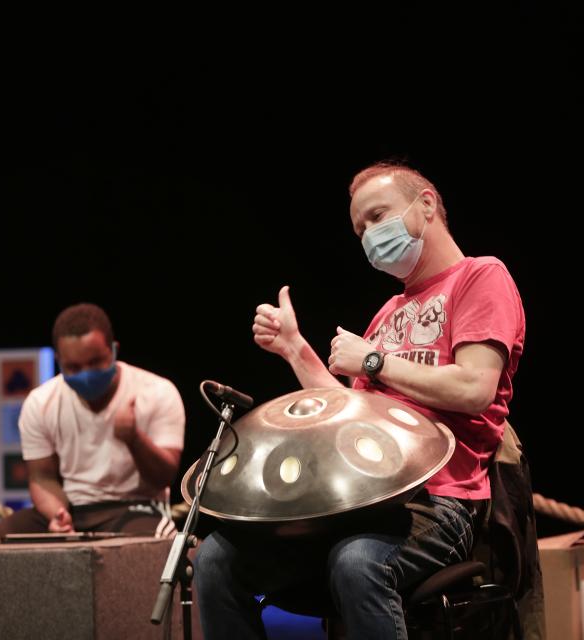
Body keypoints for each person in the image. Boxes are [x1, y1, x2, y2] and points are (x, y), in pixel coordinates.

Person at [193, 161, 526, 639]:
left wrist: (374, 362)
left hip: (439, 504)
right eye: (359, 228)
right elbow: (354, 421)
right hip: (364, 502)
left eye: (377, 216)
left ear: (426, 205)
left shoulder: (480, 277)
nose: (369, 234)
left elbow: (475, 389)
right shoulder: (388, 313)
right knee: (217, 558)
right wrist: (294, 347)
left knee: (357, 562)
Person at [0, 303, 186, 542]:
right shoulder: (41, 402)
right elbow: (42, 478)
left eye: (95, 362)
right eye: (73, 367)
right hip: (71, 508)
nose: (85, 374)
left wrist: (134, 438)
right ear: (58, 360)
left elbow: (164, 477)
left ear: (114, 350)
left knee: (138, 555)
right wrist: (57, 513)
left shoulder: (157, 392)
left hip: (137, 508)